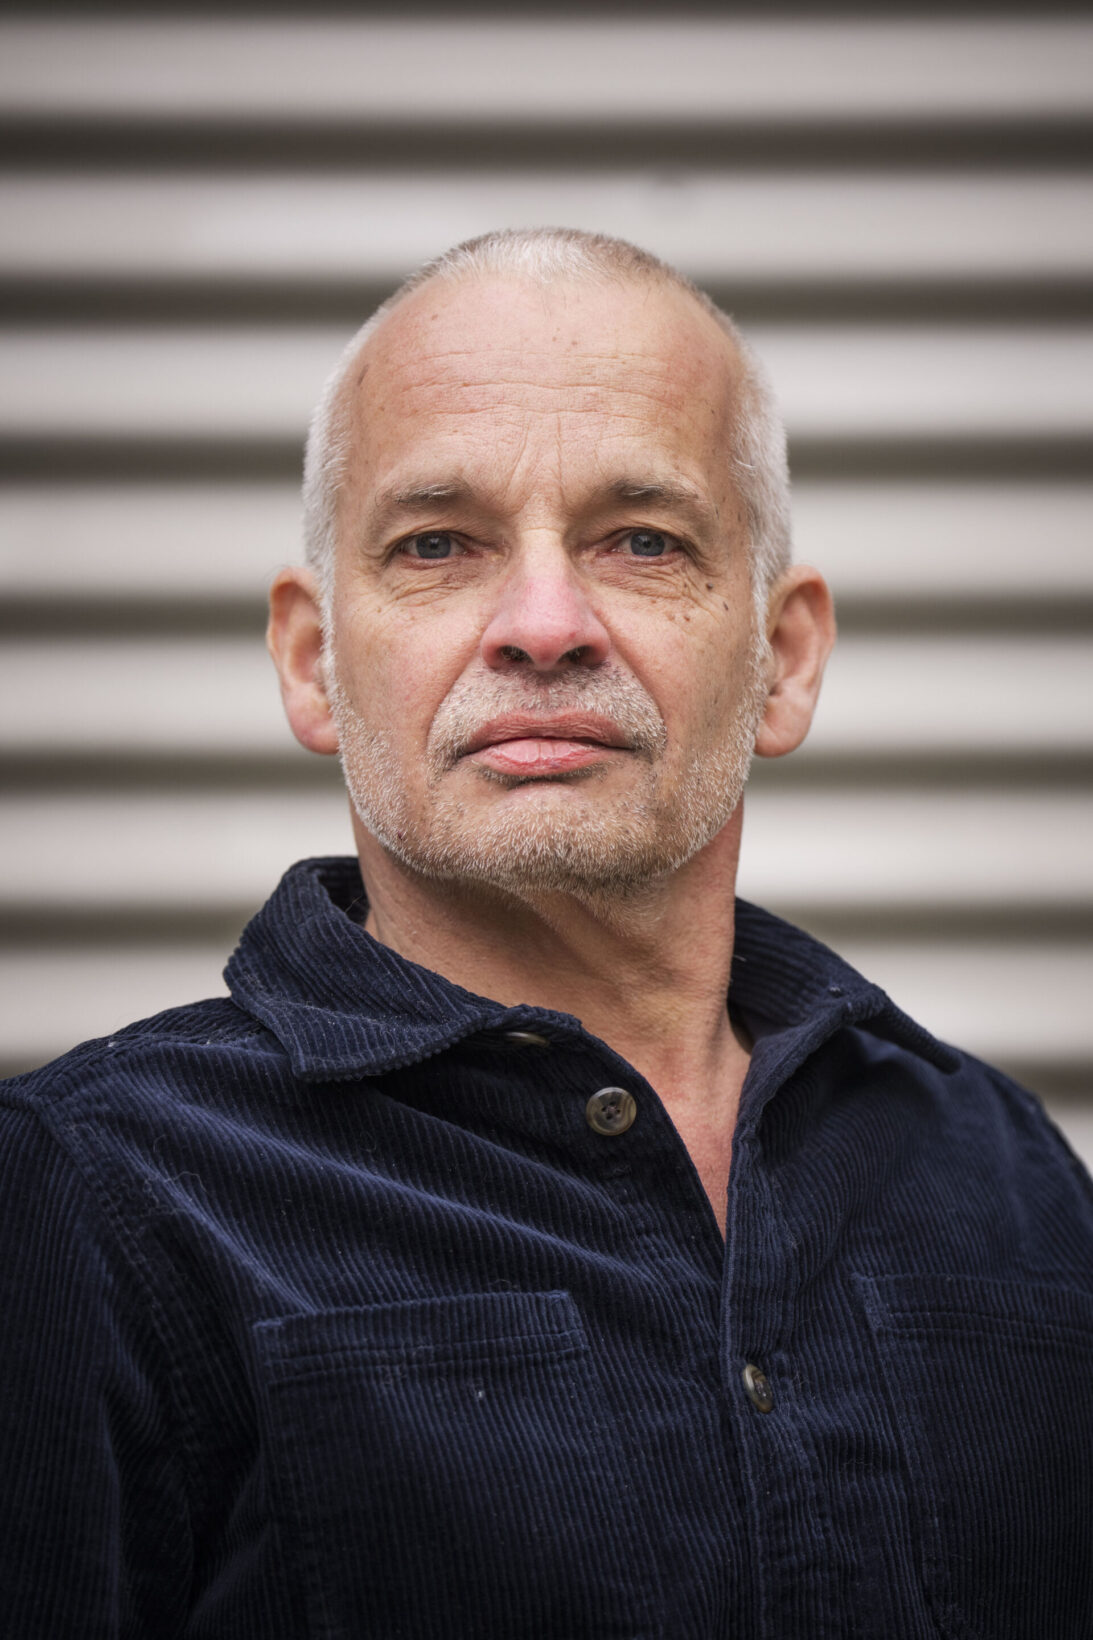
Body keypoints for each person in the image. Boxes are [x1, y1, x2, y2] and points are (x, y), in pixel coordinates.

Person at [1, 228, 1090, 1639]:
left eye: (641, 540)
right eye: (437, 545)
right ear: (314, 661)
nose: (542, 625)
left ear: (783, 658)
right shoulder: (87, 1195)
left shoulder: (1000, 1168)